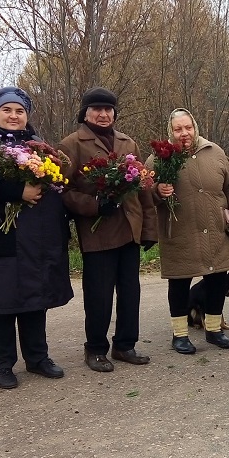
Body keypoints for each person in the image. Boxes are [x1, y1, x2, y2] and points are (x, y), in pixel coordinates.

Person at [0, 87, 72, 389]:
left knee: (36, 298)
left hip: (34, 239)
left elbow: (54, 182)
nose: (13, 115)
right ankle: (3, 364)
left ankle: (37, 358)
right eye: (7, 110)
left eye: (19, 111)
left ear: (26, 116)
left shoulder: (37, 146)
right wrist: (17, 191)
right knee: (0, 301)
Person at [59, 88, 158, 372]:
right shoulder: (71, 145)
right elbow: (62, 191)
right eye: (97, 109)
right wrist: (94, 204)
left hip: (129, 229)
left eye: (108, 109)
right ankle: (96, 349)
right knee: (99, 295)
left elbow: (143, 190)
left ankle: (125, 345)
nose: (103, 114)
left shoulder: (128, 143)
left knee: (130, 292)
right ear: (85, 113)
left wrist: (149, 230)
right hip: (98, 233)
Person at [146, 108, 229, 354]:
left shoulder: (215, 152)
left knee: (218, 279)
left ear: (195, 127)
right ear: (171, 131)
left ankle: (213, 330)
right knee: (179, 282)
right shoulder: (158, 158)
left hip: (216, 229)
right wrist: (158, 190)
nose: (184, 133)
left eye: (187, 127)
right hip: (180, 231)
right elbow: (143, 193)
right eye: (178, 129)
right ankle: (179, 334)